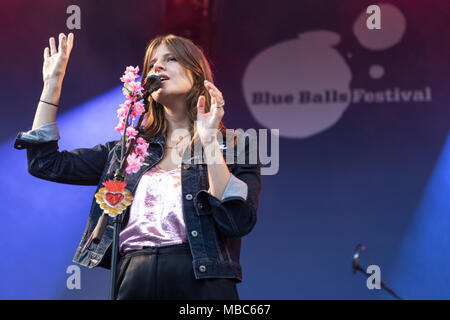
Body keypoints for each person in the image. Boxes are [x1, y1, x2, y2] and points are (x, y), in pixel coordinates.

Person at [14, 32, 261, 300]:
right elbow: (45, 163)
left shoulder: (234, 146)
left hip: (200, 280)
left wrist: (209, 141)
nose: (157, 66)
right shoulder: (127, 151)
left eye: (171, 58)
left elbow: (237, 221)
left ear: (196, 74)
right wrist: (51, 85)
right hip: (134, 277)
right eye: (152, 63)